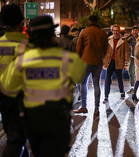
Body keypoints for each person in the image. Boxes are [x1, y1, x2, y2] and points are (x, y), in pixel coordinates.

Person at [0, 15, 86, 157]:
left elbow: (8, 87)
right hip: (59, 117)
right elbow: (79, 76)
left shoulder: (23, 60)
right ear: (52, 34)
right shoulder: (67, 58)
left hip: (33, 119)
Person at [0, 4, 29, 157]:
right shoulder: (28, 46)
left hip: (3, 99)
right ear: (21, 22)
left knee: (15, 136)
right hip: (22, 101)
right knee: (16, 140)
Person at [73, 14, 108, 114]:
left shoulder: (84, 32)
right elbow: (105, 48)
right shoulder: (102, 33)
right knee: (97, 84)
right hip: (98, 62)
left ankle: (84, 106)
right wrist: (101, 57)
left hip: (85, 62)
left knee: (82, 83)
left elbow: (79, 48)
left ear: (89, 21)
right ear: (97, 21)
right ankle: (96, 108)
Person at [102, 24, 130, 104]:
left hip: (119, 62)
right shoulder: (108, 40)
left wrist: (126, 64)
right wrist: (104, 61)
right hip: (109, 62)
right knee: (107, 79)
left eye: (117, 30)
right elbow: (104, 51)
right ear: (112, 31)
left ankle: (122, 93)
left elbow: (127, 53)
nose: (115, 32)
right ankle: (106, 97)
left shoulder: (123, 41)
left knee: (119, 79)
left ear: (119, 31)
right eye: (114, 30)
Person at [126, 26, 139, 94]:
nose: (135, 32)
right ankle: (132, 88)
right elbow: (125, 44)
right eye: (133, 30)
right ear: (131, 31)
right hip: (132, 57)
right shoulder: (129, 38)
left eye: (136, 30)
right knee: (131, 72)